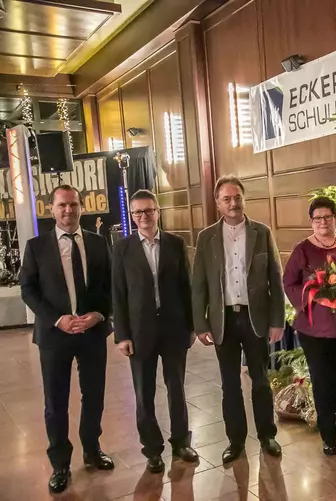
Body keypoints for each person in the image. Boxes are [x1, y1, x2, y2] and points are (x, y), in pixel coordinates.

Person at [19, 185, 113, 494]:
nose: (68, 210)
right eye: (62, 206)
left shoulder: (99, 244)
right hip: (54, 336)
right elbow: (28, 289)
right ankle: (60, 463)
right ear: (51, 209)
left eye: (73, 205)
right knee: (55, 402)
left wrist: (100, 314)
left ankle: (92, 448)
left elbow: (112, 286)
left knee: (94, 395)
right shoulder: (36, 247)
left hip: (92, 333)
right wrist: (57, 319)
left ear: (82, 207)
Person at [192, 175, 284, 463]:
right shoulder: (206, 237)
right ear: (217, 203)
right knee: (229, 383)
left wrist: (277, 320)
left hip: (255, 317)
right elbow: (199, 285)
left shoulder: (262, 232)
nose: (233, 203)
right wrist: (200, 324)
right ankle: (235, 441)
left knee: (260, 380)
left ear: (244, 199)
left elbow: (275, 279)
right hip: (223, 322)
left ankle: (267, 435)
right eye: (226, 199)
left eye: (237, 197)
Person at [112, 190, 199, 474]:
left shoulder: (176, 244)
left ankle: (181, 442)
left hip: (174, 328)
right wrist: (122, 334)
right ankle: (152, 449)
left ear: (158, 211)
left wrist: (192, 327)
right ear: (132, 215)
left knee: (177, 388)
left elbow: (187, 289)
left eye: (148, 211)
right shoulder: (122, 249)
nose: (143, 217)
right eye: (137, 212)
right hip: (139, 332)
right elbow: (119, 294)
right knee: (143, 393)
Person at [282, 197, 336, 456]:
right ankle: (328, 434)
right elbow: (289, 283)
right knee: (322, 381)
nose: (323, 222)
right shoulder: (302, 250)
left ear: (335, 219)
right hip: (314, 328)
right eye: (317, 218)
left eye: (327, 217)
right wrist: (311, 300)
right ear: (311, 221)